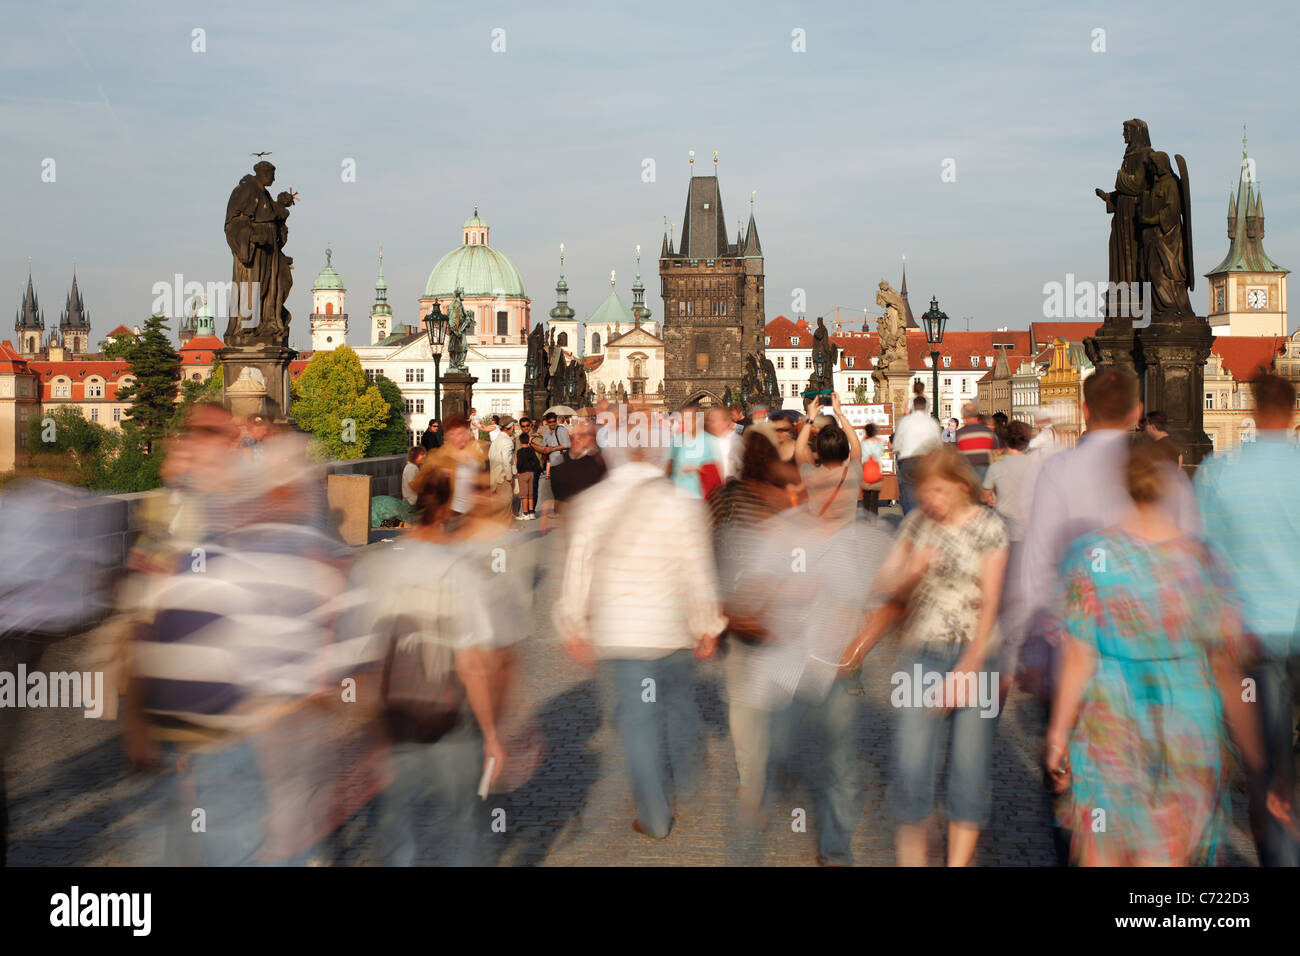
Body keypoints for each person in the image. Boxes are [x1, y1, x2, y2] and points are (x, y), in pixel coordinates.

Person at [1046, 441, 1283, 865]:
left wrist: (1058, 734)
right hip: (1187, 727)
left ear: (1124, 486)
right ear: (1170, 487)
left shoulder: (1093, 555)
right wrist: (1256, 761)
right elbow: (1229, 671)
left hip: (1111, 723)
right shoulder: (1204, 561)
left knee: (1104, 844)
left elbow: (1079, 655)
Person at [1008, 366, 1199, 864]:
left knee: (1070, 789)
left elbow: (1035, 568)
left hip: (1072, 659)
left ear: (1086, 411)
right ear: (1138, 412)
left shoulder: (1059, 471)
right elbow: (1192, 567)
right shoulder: (1166, 472)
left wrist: (1027, 649)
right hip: (1154, 665)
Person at [841, 445, 1008, 866]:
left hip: (978, 657)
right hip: (923, 654)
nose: (929, 499)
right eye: (924, 491)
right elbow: (883, 584)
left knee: (968, 771)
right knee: (911, 765)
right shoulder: (916, 523)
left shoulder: (989, 528)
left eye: (937, 489)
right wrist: (912, 569)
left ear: (958, 484)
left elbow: (991, 606)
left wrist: (969, 667)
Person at [555, 441, 726, 839]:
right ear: (662, 458)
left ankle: (654, 814)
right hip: (672, 631)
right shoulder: (683, 503)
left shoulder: (593, 501)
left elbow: (578, 568)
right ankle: (690, 778)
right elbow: (698, 568)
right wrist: (707, 623)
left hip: (624, 634)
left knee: (639, 724)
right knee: (680, 708)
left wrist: (574, 623)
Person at [341, 469, 505, 866]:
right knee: (461, 824)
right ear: (450, 508)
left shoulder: (375, 567)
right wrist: (491, 735)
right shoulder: (459, 569)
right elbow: (472, 662)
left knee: (398, 825)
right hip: (447, 716)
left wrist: (369, 734)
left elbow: (359, 659)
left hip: (394, 720)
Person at [1196, 373, 1300, 865]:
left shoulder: (1222, 473)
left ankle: (1279, 854)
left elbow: (1203, 559)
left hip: (1252, 637)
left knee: (1267, 762)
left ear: (1254, 413)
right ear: (1294, 412)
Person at [795, 392, 861, 527]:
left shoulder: (811, 475)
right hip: (847, 542)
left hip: (820, 541)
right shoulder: (853, 473)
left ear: (818, 451)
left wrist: (810, 417)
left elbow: (799, 450)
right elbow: (856, 446)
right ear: (844, 449)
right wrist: (839, 413)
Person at [981, 420, 1033, 541]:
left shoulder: (995, 467)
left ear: (1006, 441)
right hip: (1029, 528)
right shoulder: (1036, 466)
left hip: (1004, 528)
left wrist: (991, 498)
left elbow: (984, 496)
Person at [891, 395, 942, 514]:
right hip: (927, 461)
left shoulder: (905, 421)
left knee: (908, 495)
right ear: (926, 407)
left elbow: (897, 443)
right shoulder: (932, 422)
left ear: (913, 406)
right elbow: (938, 445)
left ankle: (911, 521)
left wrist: (897, 452)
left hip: (908, 460)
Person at [549, 417, 607, 507]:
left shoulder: (600, 461)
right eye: (576, 436)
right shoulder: (561, 463)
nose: (578, 439)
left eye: (590, 435)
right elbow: (558, 493)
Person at [955, 403, 997, 481]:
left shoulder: (959, 434)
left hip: (967, 470)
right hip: (986, 469)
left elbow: (955, 455)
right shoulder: (988, 432)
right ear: (977, 414)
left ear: (964, 416)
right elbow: (997, 452)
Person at [705, 406, 745, 484]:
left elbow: (743, 467)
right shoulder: (707, 440)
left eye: (714, 420)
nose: (710, 423)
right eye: (710, 420)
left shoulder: (735, 441)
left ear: (725, 422)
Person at [488, 417, 517, 520]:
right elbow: (506, 462)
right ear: (510, 427)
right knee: (506, 502)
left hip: (494, 477)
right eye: (513, 426)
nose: (514, 428)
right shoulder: (507, 442)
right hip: (503, 477)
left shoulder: (496, 441)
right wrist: (509, 477)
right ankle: (507, 525)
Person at [515, 417, 541, 520]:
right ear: (520, 427)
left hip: (535, 467)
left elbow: (542, 449)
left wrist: (530, 444)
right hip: (524, 469)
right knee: (524, 491)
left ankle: (531, 511)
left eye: (527, 425)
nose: (526, 428)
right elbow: (516, 454)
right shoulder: (518, 439)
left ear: (531, 425)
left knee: (533, 489)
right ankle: (528, 511)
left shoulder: (536, 436)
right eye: (523, 426)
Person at [860, 422, 887, 515]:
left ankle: (867, 515)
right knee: (875, 496)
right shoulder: (879, 443)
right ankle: (874, 515)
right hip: (876, 471)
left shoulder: (864, 443)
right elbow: (879, 456)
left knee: (866, 495)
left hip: (866, 471)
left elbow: (863, 458)